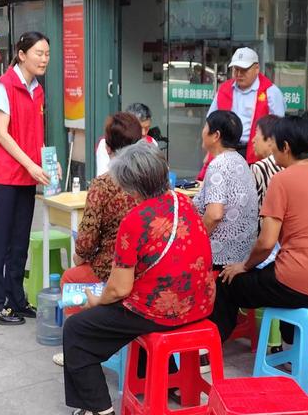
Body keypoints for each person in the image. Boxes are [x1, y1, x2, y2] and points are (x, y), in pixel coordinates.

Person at [63, 142, 215, 415]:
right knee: (133, 311)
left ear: (131, 186)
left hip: (161, 312)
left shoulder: (134, 220)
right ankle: (170, 381)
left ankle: (98, 408)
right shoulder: (183, 201)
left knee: (76, 330)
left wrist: (96, 301)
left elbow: (119, 289)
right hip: (199, 303)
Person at [210, 116, 308, 345]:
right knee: (277, 272)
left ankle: (210, 350)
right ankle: (294, 343)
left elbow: (266, 243)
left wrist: (242, 266)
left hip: (303, 285)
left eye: (274, 144)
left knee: (227, 283)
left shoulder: (282, 179)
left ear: (286, 147)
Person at [0, 32, 56, 325]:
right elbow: (2, 133)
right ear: (22, 54)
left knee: (19, 243)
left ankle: (16, 300)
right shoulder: (4, 86)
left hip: (25, 177)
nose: (44, 58)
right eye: (39, 53)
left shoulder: (38, 90)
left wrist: (49, 163)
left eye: (47, 53)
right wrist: (31, 165)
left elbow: (35, 135)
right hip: (1, 177)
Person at [62, 112, 143, 313]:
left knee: (70, 278)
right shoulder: (153, 179)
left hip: (113, 268)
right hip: (150, 266)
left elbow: (86, 241)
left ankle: (81, 337)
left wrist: (80, 257)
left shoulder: (103, 185)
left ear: (107, 148)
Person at [194, 110, 258, 271]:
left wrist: (194, 242)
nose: (202, 132)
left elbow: (214, 215)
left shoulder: (219, 165)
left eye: (205, 127)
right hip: (240, 255)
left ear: (215, 135)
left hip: (219, 259)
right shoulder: (239, 160)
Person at [206, 47, 285, 164]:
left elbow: (279, 129)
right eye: (235, 69)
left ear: (257, 68)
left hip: (257, 154)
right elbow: (211, 121)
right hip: (226, 150)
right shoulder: (224, 89)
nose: (239, 74)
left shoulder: (271, 92)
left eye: (244, 70)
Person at [96, 102, 157, 176]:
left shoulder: (151, 143)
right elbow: (103, 175)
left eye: (147, 128)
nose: (144, 133)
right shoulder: (108, 143)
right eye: (140, 128)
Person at [250, 114, 283, 215]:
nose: (253, 140)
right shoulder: (288, 164)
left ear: (270, 140)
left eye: (256, 133)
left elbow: (250, 208)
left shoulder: (259, 168)